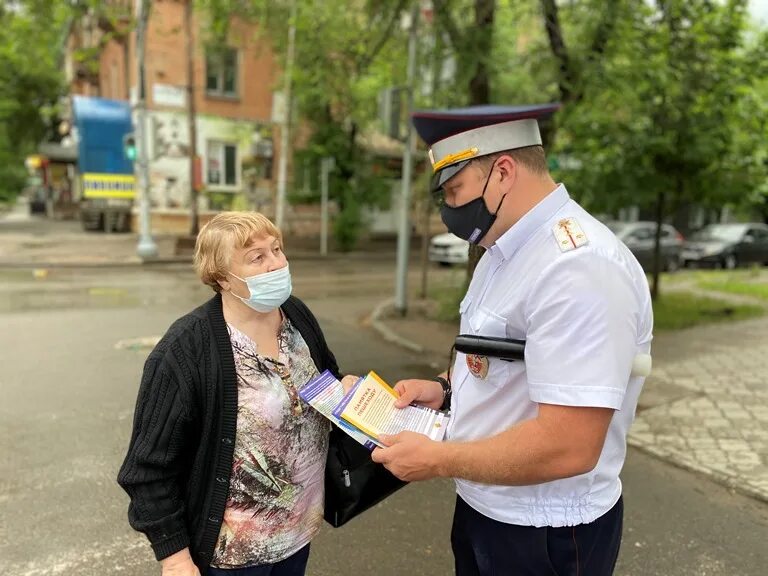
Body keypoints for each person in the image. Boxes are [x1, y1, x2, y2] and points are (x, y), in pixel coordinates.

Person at [371, 105, 653, 576]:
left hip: (546, 531)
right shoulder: (502, 251)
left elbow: (570, 444)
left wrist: (440, 460)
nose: (447, 211)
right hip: (488, 506)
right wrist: (443, 388)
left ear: (502, 172)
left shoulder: (579, 268)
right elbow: (502, 358)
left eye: (455, 190)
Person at [118, 212, 357, 576]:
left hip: (298, 533)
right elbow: (148, 469)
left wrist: (347, 392)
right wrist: (175, 557)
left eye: (276, 249)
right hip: (233, 557)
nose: (276, 263)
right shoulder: (185, 352)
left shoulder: (295, 315)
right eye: (256, 257)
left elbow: (323, 382)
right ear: (221, 278)